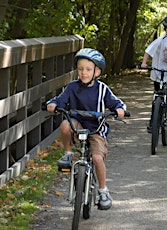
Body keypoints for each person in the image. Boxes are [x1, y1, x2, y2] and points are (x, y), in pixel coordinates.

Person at [46, 48, 127, 210]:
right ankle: (68, 154)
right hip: (78, 126)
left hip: (96, 129)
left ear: (97, 72)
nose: (84, 73)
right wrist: (52, 105)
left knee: (97, 158)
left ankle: (103, 191)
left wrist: (120, 110)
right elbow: (59, 101)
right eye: (81, 69)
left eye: (88, 70)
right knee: (64, 125)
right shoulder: (72, 87)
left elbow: (117, 104)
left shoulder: (102, 89)